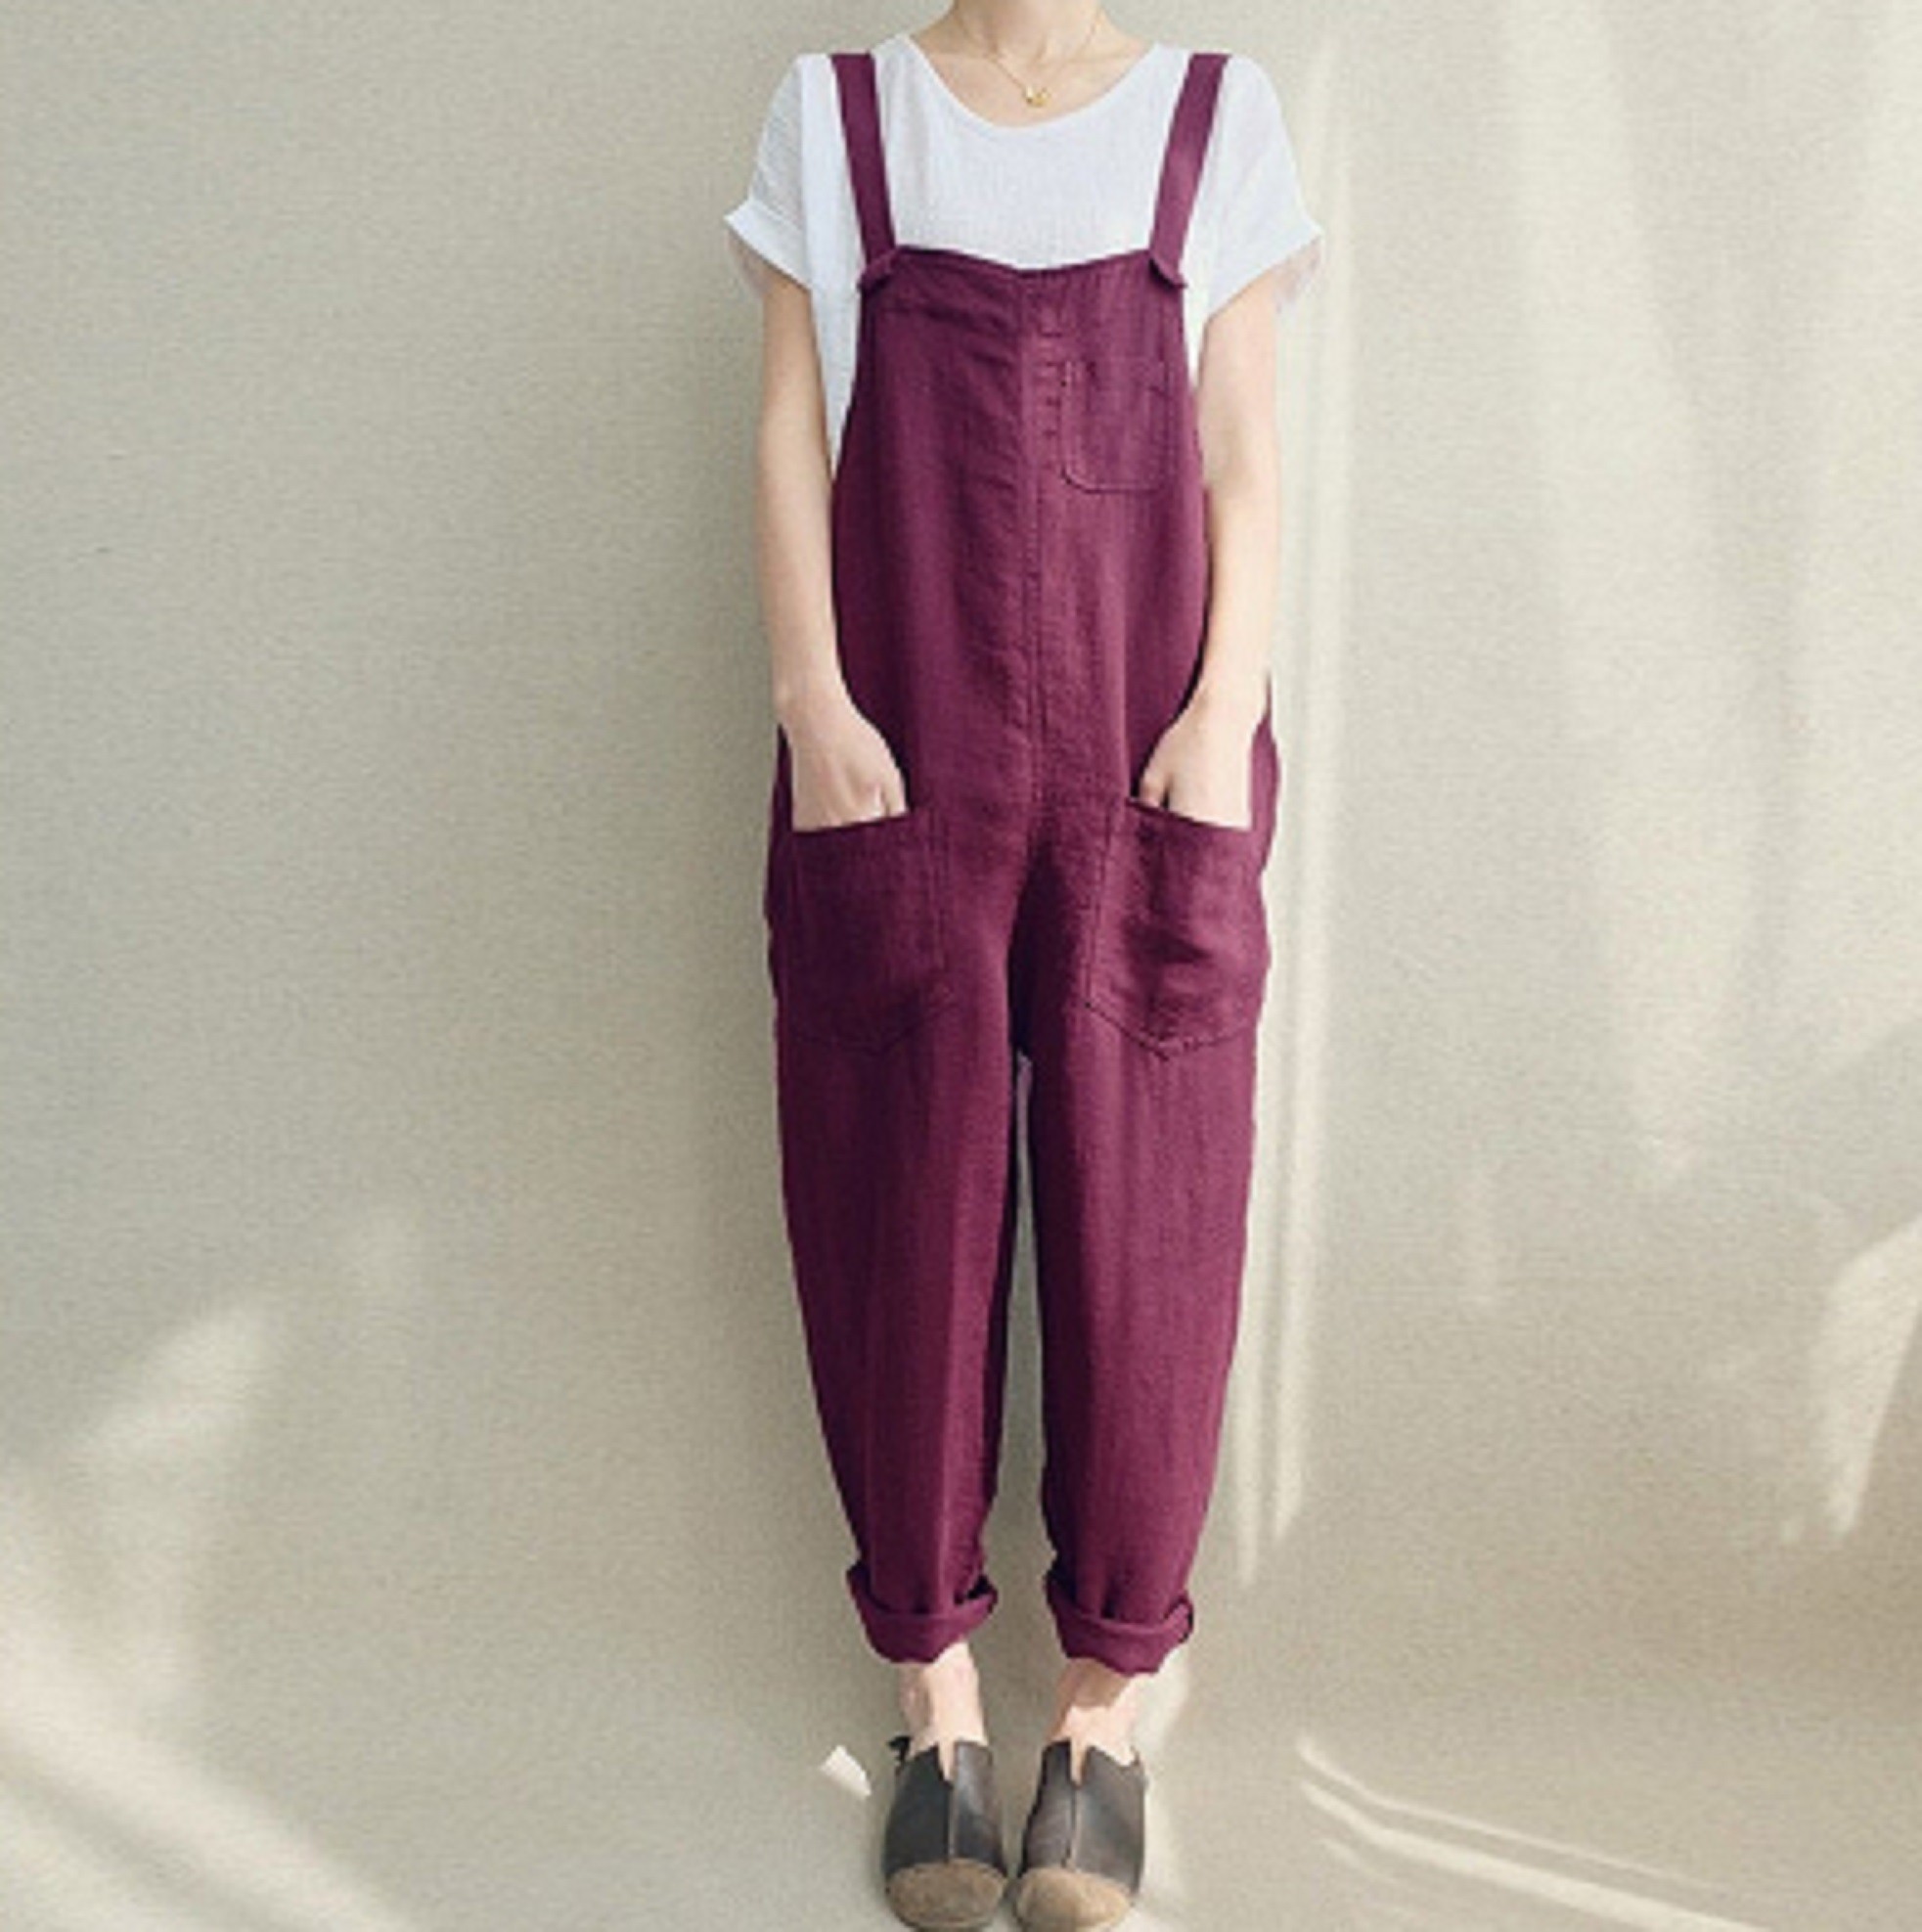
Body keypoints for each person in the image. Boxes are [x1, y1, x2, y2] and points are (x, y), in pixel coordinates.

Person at [723, 7, 1323, 1927]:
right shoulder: (842, 118)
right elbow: (787, 429)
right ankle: (934, 1698)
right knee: (894, 1204)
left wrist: (1222, 708)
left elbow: (1241, 451)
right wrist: (812, 705)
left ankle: (1102, 1706)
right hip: (895, 751)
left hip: (1151, 758)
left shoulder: (1212, 120)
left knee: (1154, 1222)